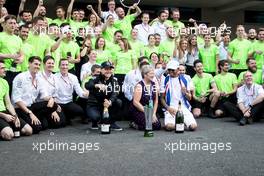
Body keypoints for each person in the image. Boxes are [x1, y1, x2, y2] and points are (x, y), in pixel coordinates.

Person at [12, 56, 59, 134]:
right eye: (35, 64)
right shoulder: (20, 77)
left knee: (54, 105)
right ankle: (20, 122)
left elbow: (44, 95)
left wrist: (51, 99)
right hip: (21, 108)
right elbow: (16, 100)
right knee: (38, 128)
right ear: (29, 64)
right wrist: (30, 113)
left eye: (39, 65)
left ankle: (36, 119)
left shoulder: (38, 78)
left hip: (32, 106)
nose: (37, 66)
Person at [161, 60, 197, 131]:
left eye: (173, 70)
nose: (171, 71)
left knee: (193, 127)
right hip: (171, 107)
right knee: (169, 127)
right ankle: (178, 121)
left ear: (178, 70)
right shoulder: (165, 80)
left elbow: (189, 98)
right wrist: (168, 108)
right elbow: (161, 98)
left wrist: (185, 93)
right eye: (169, 69)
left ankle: (181, 120)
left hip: (183, 107)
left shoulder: (185, 79)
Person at [85, 61, 123, 131]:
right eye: (106, 69)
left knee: (118, 102)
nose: (108, 71)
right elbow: (87, 85)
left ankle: (111, 122)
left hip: (106, 104)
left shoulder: (114, 80)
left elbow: (115, 93)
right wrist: (96, 85)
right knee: (95, 117)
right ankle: (95, 122)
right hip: (94, 105)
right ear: (101, 70)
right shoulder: (95, 78)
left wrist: (110, 101)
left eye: (110, 69)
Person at [0, 61, 32, 140]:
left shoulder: (4, 82)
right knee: (8, 135)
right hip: (1, 114)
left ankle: (7, 127)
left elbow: (8, 104)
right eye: (2, 68)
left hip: (5, 112)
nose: (5, 70)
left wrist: (15, 116)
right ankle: (6, 129)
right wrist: (4, 116)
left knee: (28, 130)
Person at [54, 59, 89, 124]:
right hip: (58, 103)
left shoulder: (73, 77)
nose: (65, 67)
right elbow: (52, 93)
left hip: (68, 102)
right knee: (61, 123)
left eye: (66, 65)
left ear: (69, 66)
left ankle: (68, 116)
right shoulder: (54, 77)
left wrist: (85, 94)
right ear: (59, 66)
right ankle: (64, 117)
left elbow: (79, 90)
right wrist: (55, 105)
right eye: (63, 65)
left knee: (79, 111)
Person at [37, 56, 66, 128]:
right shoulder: (39, 76)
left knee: (62, 122)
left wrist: (55, 105)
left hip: (52, 102)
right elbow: (42, 95)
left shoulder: (54, 77)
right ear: (44, 64)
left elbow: (56, 93)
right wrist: (53, 110)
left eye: (52, 63)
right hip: (41, 103)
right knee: (52, 125)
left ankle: (47, 118)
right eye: (49, 63)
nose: (51, 65)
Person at [130, 65, 161, 130]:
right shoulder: (139, 86)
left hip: (150, 109)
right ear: (145, 75)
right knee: (148, 126)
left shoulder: (154, 84)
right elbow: (135, 102)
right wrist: (148, 113)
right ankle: (134, 124)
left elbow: (156, 101)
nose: (153, 75)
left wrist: (153, 113)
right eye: (151, 74)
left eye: (153, 73)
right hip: (140, 110)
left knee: (157, 125)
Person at [0, 15, 24, 87]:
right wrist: (10, 56)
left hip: (17, 70)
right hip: (4, 70)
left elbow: (22, 54)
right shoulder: (0, 36)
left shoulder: (18, 39)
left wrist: (20, 60)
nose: (13, 25)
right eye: (10, 23)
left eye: (14, 23)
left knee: (16, 93)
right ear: (4, 24)